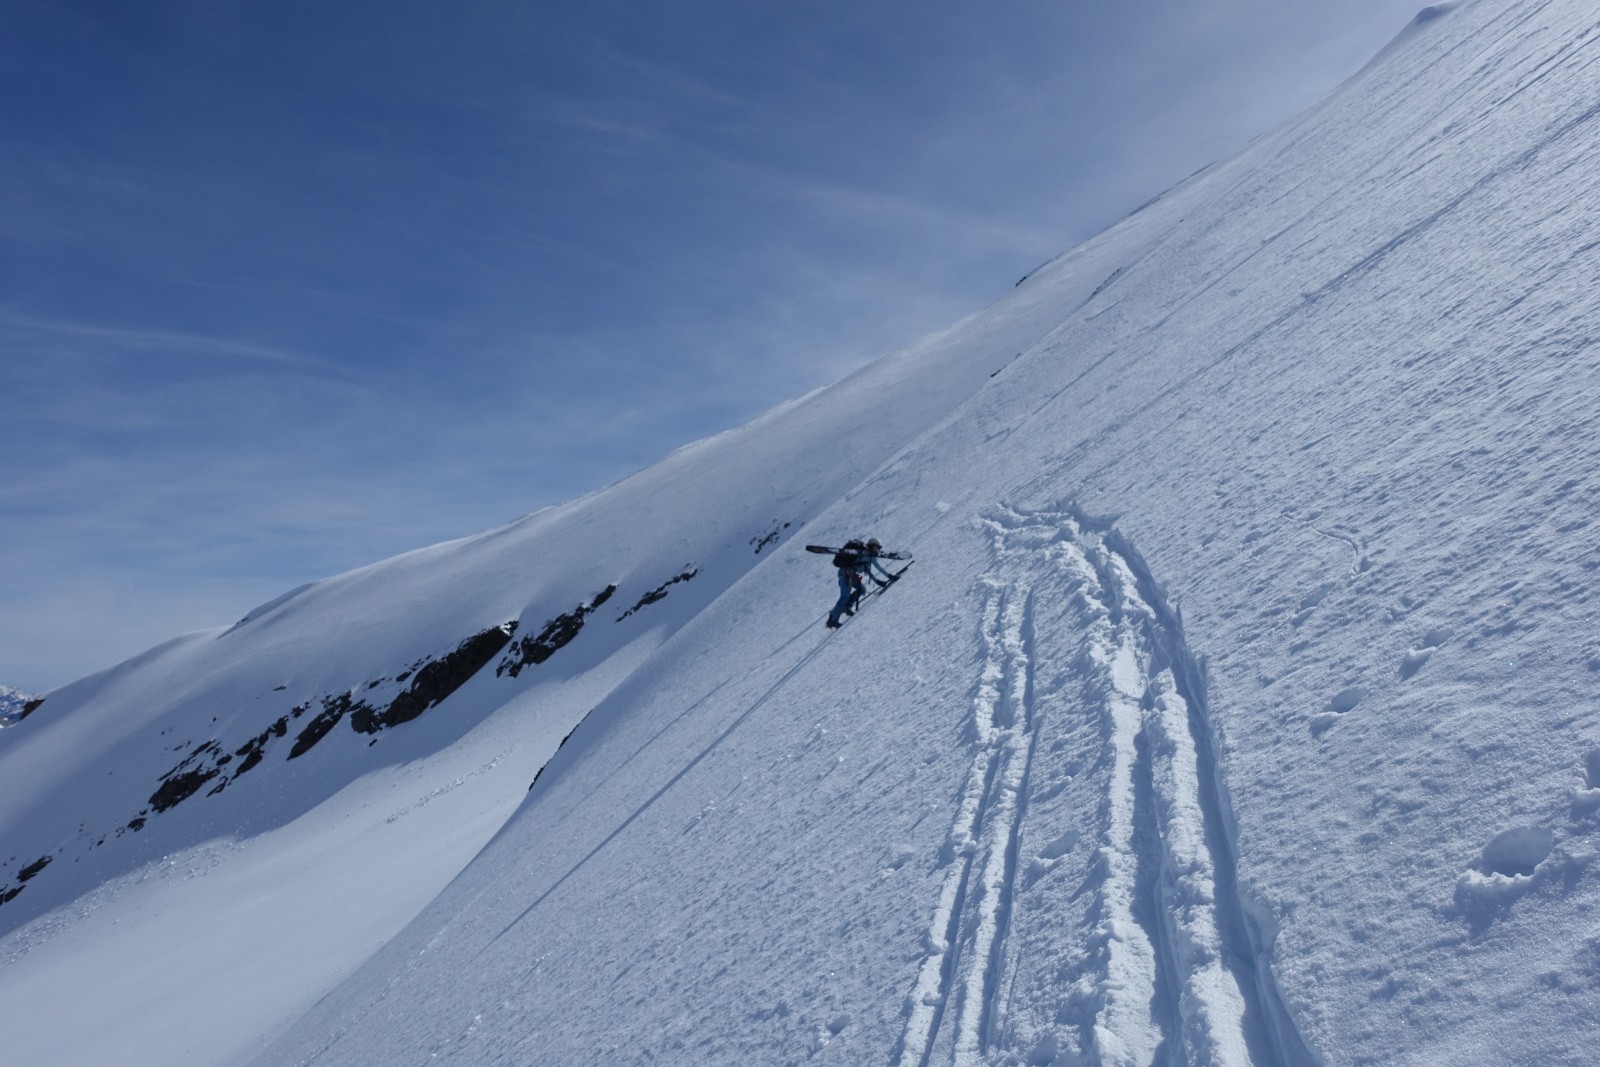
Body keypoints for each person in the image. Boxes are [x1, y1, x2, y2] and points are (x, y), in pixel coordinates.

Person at [827, 537, 896, 628]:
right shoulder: (863, 553)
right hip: (845, 575)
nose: (878, 549)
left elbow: (873, 569)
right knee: (845, 596)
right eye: (877, 547)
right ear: (872, 545)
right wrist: (884, 579)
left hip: (851, 576)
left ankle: (847, 606)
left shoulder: (870, 557)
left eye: (880, 548)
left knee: (862, 590)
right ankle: (832, 620)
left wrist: (883, 579)